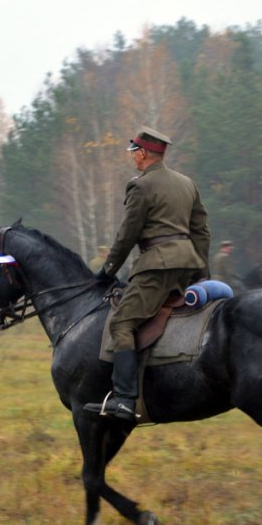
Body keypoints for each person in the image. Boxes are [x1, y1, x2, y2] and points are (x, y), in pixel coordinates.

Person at [85, 126, 210, 421]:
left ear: (142, 153)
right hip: (185, 264)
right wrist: (200, 269)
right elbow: (201, 231)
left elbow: (127, 234)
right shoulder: (187, 184)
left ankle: (125, 400)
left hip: (156, 266)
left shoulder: (140, 186)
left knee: (122, 325)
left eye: (133, 152)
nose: (132, 158)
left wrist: (108, 270)